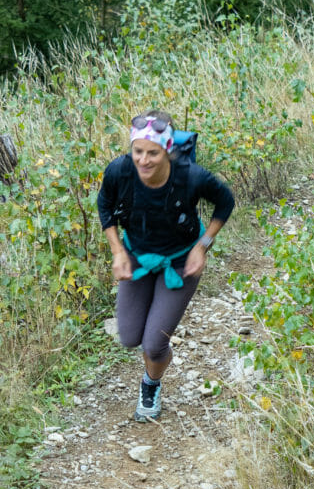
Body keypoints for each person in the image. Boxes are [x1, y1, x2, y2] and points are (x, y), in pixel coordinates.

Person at [97, 110, 235, 422]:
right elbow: (104, 204)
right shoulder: (120, 171)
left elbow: (225, 202)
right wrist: (117, 250)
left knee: (153, 343)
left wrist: (203, 246)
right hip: (137, 255)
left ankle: (151, 384)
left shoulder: (190, 176)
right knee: (130, 337)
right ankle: (152, 359)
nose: (143, 161)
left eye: (153, 153)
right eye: (138, 151)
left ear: (168, 150)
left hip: (181, 260)